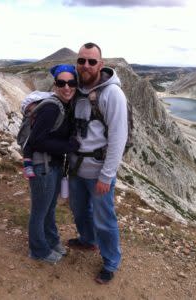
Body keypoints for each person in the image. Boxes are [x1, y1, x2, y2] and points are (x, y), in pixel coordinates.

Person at [68, 42, 128, 283]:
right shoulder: (75, 88)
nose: (86, 65)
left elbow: (118, 137)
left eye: (92, 61)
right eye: (82, 60)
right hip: (75, 169)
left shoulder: (112, 93)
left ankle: (111, 262)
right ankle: (88, 241)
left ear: (101, 65)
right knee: (80, 211)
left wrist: (106, 175)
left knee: (104, 219)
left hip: (98, 172)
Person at [26, 64, 80, 263]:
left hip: (53, 165)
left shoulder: (63, 105)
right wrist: (68, 146)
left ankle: (52, 240)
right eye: (61, 83)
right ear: (55, 85)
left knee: (49, 209)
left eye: (71, 82)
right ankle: (38, 250)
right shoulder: (51, 107)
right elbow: (36, 141)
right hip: (43, 167)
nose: (67, 87)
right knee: (40, 211)